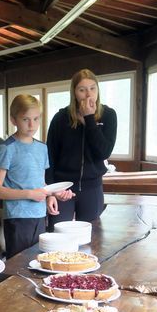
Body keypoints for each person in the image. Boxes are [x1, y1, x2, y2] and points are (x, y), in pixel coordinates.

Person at [0, 94, 73, 258]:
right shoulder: (6, 148)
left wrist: (53, 195)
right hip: (17, 217)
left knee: (38, 261)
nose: (32, 125)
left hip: (39, 215)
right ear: (13, 119)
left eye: (36, 119)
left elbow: (40, 182)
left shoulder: (42, 148)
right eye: (25, 119)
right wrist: (29, 194)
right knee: (18, 265)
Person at [46, 69, 117, 227]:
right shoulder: (61, 118)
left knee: (91, 237)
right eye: (82, 90)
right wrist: (50, 191)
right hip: (63, 188)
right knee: (59, 234)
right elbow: (49, 156)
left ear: (98, 90)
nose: (88, 94)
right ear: (74, 93)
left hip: (92, 188)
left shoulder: (109, 115)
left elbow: (104, 152)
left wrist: (89, 118)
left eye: (92, 88)